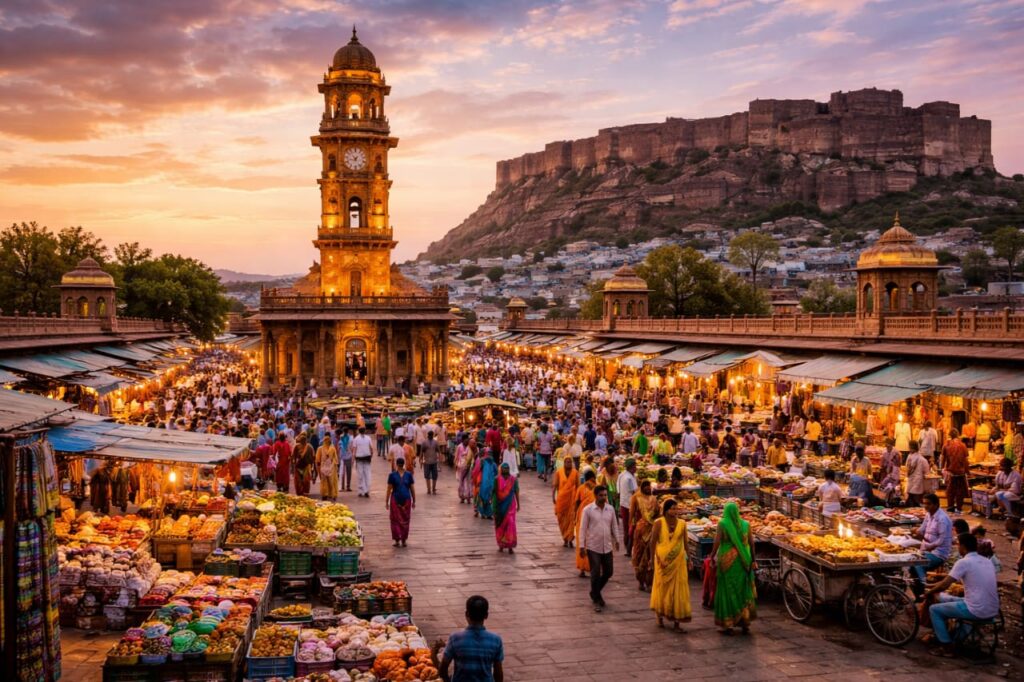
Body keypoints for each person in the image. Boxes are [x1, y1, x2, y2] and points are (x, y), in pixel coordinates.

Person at [925, 532, 1000, 658]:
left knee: (934, 610)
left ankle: (946, 647)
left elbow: (945, 585)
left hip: (976, 610)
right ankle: (952, 635)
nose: (957, 548)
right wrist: (932, 587)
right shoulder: (986, 561)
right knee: (945, 598)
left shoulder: (964, 562)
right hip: (992, 610)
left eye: (958, 545)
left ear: (963, 547)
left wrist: (929, 591)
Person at [712, 501, 757, 634]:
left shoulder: (723, 523)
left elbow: (717, 541)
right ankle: (744, 623)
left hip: (727, 562)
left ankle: (729, 625)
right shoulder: (746, 524)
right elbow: (752, 544)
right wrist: (753, 560)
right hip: (744, 561)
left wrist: (712, 555)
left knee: (728, 590)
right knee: (743, 589)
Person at [440, 595, 504, 682]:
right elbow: (498, 673)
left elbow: (443, 669)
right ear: (486, 615)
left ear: (467, 614)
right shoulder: (496, 640)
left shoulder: (455, 638)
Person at [649, 498, 691, 630]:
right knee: (662, 587)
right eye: (672, 508)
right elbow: (653, 542)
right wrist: (651, 558)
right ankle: (660, 615)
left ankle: (677, 620)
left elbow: (685, 542)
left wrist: (689, 558)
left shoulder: (682, 523)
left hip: (678, 561)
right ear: (666, 510)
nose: (674, 511)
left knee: (678, 588)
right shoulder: (658, 523)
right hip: (662, 561)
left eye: (676, 508)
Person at [579, 484, 620, 612]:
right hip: (593, 547)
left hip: (607, 546)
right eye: (601, 495)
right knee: (595, 573)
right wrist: (581, 545)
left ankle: (594, 592)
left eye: (605, 495)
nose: (603, 497)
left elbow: (614, 526)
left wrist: (617, 540)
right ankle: (597, 599)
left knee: (609, 572)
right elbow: (582, 528)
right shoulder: (588, 510)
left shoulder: (610, 509)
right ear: (595, 496)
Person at [912, 493, 954, 591]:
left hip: (939, 553)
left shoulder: (942, 519)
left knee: (918, 563)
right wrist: (915, 531)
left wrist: (930, 546)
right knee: (910, 565)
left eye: (928, 504)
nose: (926, 506)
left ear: (936, 505)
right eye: (924, 503)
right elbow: (922, 528)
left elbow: (941, 540)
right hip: (926, 548)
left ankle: (925, 588)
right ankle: (918, 594)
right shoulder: (928, 514)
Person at [630, 479, 658, 591]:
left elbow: (658, 512)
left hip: (652, 530)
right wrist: (631, 527)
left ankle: (649, 583)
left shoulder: (654, 499)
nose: (647, 488)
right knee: (639, 555)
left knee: (651, 556)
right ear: (641, 487)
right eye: (645, 486)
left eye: (649, 486)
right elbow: (631, 514)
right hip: (640, 531)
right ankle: (641, 581)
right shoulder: (636, 498)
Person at [385, 457, 416, 547]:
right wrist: (414, 500)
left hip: (397, 499)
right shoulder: (407, 475)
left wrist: (386, 501)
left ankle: (397, 540)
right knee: (404, 520)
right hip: (405, 499)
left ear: (396, 464)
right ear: (403, 464)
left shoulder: (393, 475)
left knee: (395, 520)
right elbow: (412, 489)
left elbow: (389, 489)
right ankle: (403, 540)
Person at [574, 470, 598, 576]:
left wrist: (575, 517)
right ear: (593, 477)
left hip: (582, 517)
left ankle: (582, 569)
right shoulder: (598, 488)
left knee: (582, 542)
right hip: (595, 518)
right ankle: (594, 567)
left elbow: (576, 503)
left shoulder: (581, 488)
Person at [552, 456, 579, 547]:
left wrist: (579, 499)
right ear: (564, 463)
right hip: (561, 500)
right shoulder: (559, 472)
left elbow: (578, 486)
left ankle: (570, 539)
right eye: (567, 462)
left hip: (572, 500)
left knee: (571, 520)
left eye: (570, 462)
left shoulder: (575, 473)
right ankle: (565, 538)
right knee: (561, 520)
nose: (568, 464)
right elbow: (555, 486)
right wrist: (553, 497)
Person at [494, 462, 520, 553]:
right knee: (500, 525)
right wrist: (493, 505)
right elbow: (494, 493)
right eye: (504, 468)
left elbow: (516, 491)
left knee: (510, 524)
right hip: (500, 506)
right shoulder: (496, 480)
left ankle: (510, 546)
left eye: (507, 468)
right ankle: (501, 545)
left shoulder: (513, 480)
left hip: (510, 506)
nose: (505, 470)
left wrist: (518, 504)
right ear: (501, 470)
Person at [941, 430, 969, 513]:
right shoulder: (963, 445)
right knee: (960, 490)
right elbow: (965, 460)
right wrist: (967, 471)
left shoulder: (946, 445)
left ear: (950, 435)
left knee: (950, 490)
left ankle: (950, 506)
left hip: (950, 472)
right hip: (960, 472)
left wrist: (942, 469)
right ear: (958, 435)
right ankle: (959, 507)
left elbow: (943, 459)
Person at [617, 458, 639, 556]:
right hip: (630, 505)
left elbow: (618, 490)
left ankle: (627, 547)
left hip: (623, 503)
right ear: (631, 467)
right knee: (631, 527)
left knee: (626, 527)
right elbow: (635, 492)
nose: (636, 468)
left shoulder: (621, 475)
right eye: (635, 466)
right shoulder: (629, 478)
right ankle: (629, 549)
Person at [473, 447, 498, 520]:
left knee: (489, 498)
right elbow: (476, 471)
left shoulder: (493, 463)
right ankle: (483, 512)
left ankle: (489, 513)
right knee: (483, 497)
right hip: (483, 483)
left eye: (490, 453)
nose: (489, 455)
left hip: (490, 483)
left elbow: (496, 473)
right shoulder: (482, 461)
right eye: (488, 453)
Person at [352, 426, 375, 497]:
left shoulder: (356, 439)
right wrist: (371, 456)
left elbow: (354, 450)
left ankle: (361, 490)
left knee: (360, 475)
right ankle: (367, 490)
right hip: (367, 458)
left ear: (359, 431)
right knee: (367, 474)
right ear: (365, 431)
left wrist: (353, 459)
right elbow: (371, 449)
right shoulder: (368, 438)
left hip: (359, 458)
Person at [905, 440, 929, 507]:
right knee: (916, 499)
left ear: (911, 447)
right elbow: (926, 471)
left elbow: (906, 467)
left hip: (911, 479)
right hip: (918, 481)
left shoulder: (909, 457)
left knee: (911, 497)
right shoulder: (922, 459)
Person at [316, 432, 340, 501]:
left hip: (323, 469)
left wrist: (318, 469)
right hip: (331, 469)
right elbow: (335, 459)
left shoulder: (320, 449)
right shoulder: (332, 449)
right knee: (332, 482)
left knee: (324, 482)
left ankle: (324, 494)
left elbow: (317, 460)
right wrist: (334, 466)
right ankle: (332, 494)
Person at [455, 437, 475, 504]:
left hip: (469, 468)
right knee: (461, 482)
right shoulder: (459, 447)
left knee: (468, 482)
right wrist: (456, 464)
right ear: (463, 440)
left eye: (468, 441)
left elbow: (472, 459)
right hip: (461, 467)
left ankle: (468, 497)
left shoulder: (470, 448)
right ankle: (462, 497)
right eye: (466, 441)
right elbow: (457, 456)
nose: (467, 442)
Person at [421, 430, 441, 495]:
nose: (430, 436)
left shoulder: (435, 442)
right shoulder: (424, 442)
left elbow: (438, 451)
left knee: (434, 476)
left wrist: (439, 459)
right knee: (427, 476)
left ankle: (433, 489)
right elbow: (421, 451)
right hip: (426, 462)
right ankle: (429, 489)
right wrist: (420, 460)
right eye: (429, 435)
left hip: (434, 461)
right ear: (428, 435)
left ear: (432, 435)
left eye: (431, 435)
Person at [339, 427, 353, 492]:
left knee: (342, 472)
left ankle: (342, 486)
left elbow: (338, 447)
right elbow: (352, 447)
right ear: (348, 431)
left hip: (342, 457)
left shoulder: (340, 437)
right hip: (349, 456)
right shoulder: (351, 438)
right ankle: (348, 486)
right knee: (348, 472)